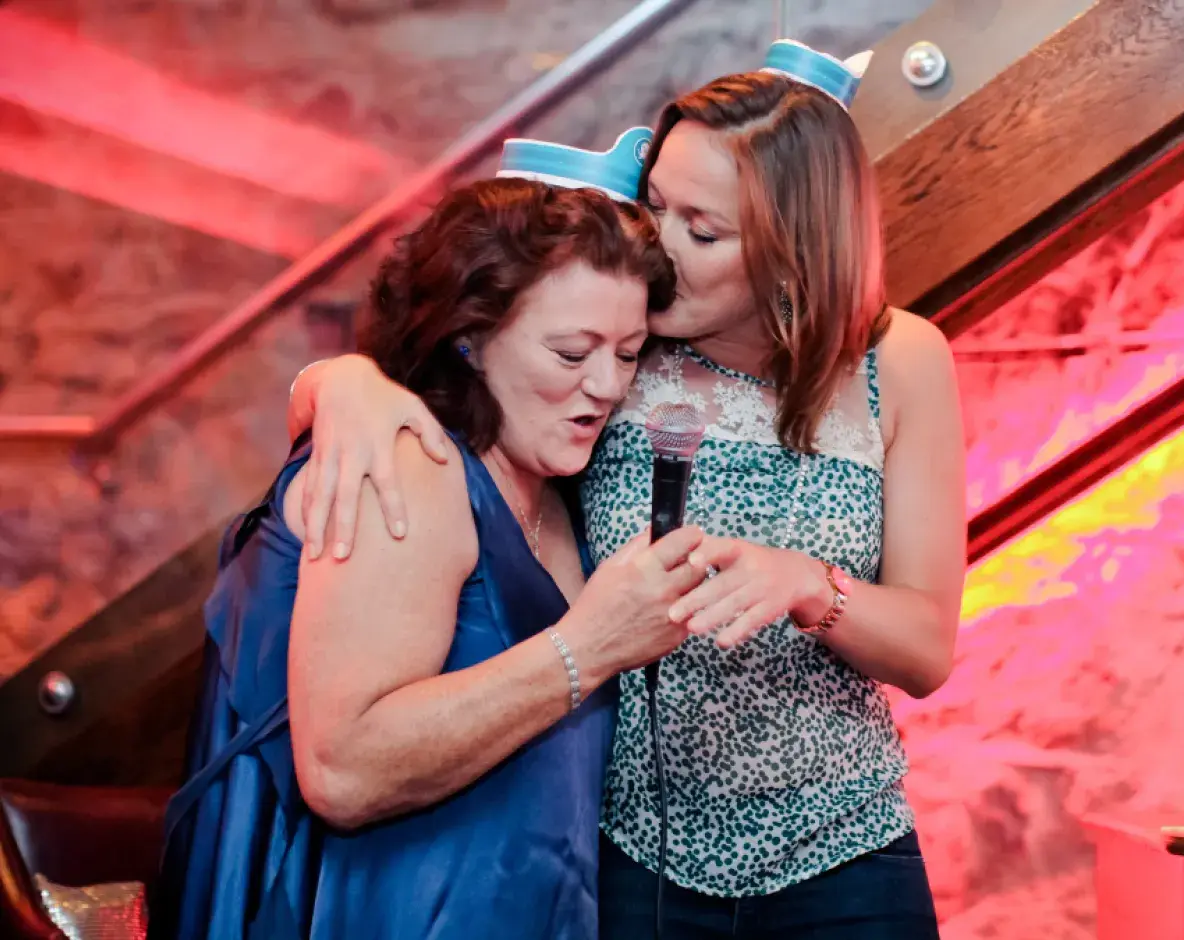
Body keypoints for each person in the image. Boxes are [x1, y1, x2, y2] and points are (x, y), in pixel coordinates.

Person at [287, 40, 966, 939]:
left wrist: (811, 587)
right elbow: (461, 348)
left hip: (845, 857)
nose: (660, 250)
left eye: (703, 231)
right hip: (628, 858)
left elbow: (927, 650)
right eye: (656, 207)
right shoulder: (618, 342)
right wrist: (342, 383)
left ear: (794, 248)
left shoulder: (899, 361)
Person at [150, 129, 705, 940]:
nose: (607, 385)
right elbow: (344, 767)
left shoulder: (560, 481)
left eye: (628, 353)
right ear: (468, 338)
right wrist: (590, 647)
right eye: (571, 352)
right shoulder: (410, 464)